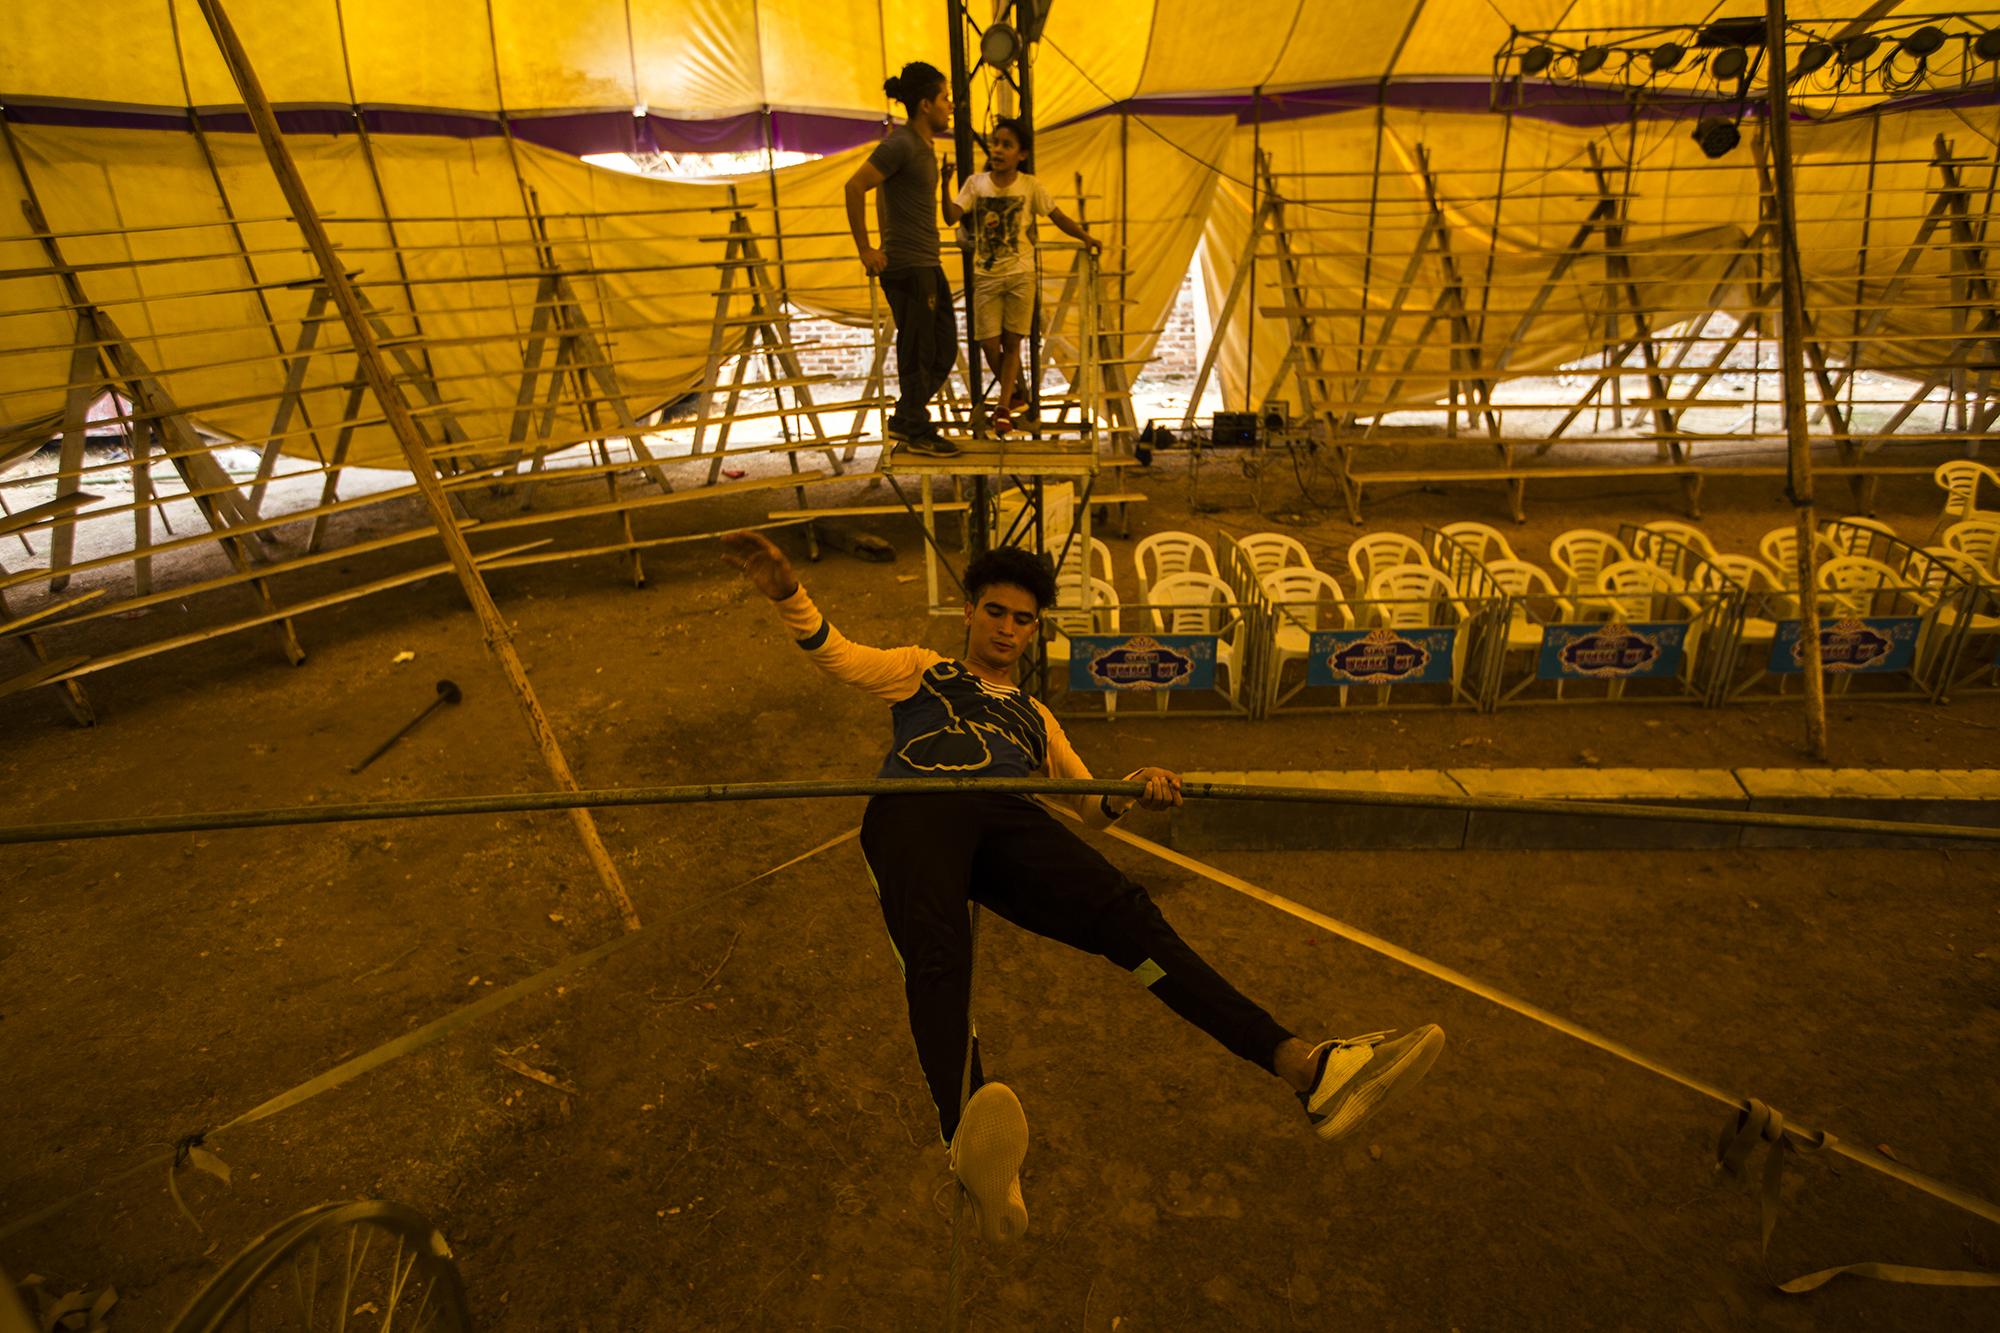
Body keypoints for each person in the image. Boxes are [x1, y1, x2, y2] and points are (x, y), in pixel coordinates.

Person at [720, 529, 1447, 1246]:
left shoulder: (1037, 718)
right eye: (996, 611)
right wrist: (791, 595)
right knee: (939, 959)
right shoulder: (921, 668)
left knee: (1125, 915)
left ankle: (1304, 1065)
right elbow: (839, 657)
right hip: (916, 809)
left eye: (1023, 618)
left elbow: (1089, 805)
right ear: (969, 612)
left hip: (1006, 816)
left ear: (1036, 630)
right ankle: (970, 1136)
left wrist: (1134, 789)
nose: (1008, 627)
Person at [941, 117, 1101, 437]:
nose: (998, 150)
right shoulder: (975, 183)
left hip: (1020, 274)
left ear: (1022, 155)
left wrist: (1085, 237)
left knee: (1012, 343)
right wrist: (943, 184)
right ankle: (1016, 396)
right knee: (988, 343)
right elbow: (949, 217)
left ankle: (1002, 408)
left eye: (1007, 145)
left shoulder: (1030, 186)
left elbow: (1058, 217)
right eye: (995, 143)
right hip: (985, 276)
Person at [846, 61, 960, 458]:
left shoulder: (925, 147)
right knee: (919, 350)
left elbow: (893, 198)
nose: (951, 106)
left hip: (928, 261)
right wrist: (867, 248)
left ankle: (907, 415)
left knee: (944, 348)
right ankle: (913, 424)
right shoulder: (901, 143)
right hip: (907, 265)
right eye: (945, 98)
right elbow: (855, 186)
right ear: (926, 104)